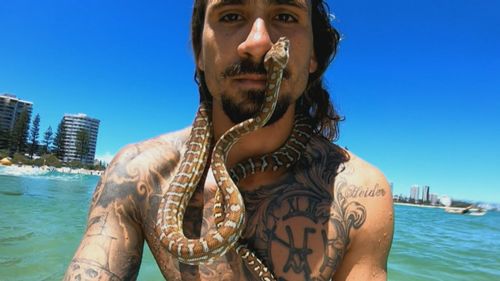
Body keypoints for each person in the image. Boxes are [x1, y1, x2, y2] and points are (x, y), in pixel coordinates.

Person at [64, 0, 394, 280]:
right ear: (199, 53)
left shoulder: (361, 195)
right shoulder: (134, 175)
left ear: (313, 57)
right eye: (231, 15)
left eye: (286, 16)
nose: (259, 42)